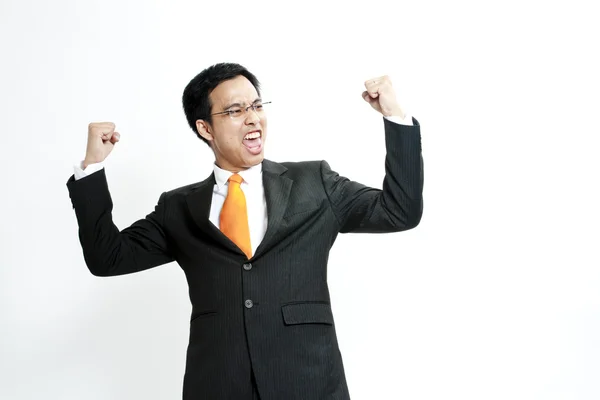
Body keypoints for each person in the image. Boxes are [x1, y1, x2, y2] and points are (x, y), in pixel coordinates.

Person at [67, 62, 424, 400]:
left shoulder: (316, 183)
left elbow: (398, 211)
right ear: (205, 128)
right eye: (235, 111)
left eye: (256, 105)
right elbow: (107, 258)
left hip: (308, 384)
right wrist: (91, 169)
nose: (253, 118)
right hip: (218, 386)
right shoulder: (178, 208)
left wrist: (396, 118)